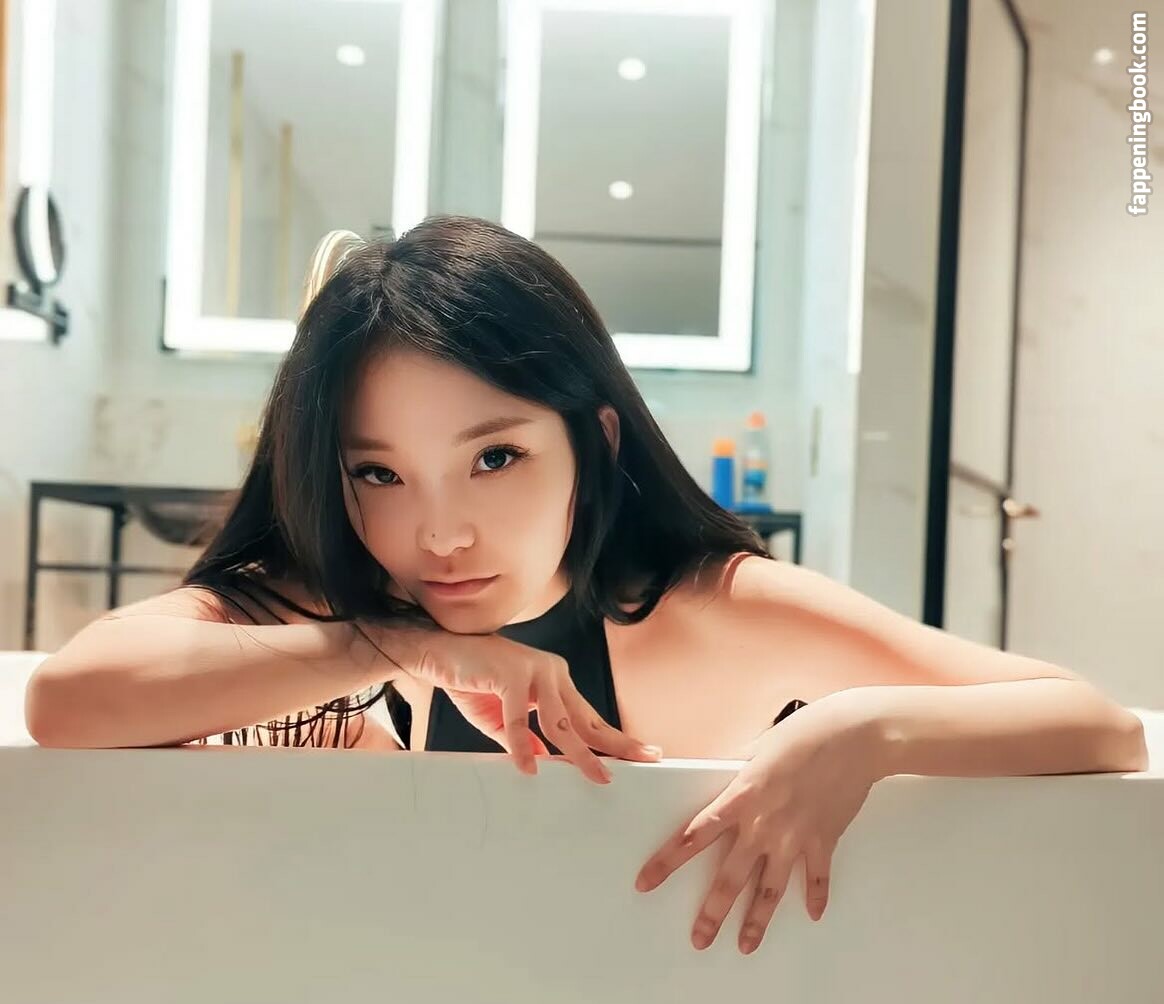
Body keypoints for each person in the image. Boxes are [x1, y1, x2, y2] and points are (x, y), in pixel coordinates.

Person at [25, 216, 1148, 956]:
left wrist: (861, 730)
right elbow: (70, 699)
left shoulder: (699, 605)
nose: (440, 531)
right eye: (378, 473)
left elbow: (1097, 725)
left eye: (495, 456)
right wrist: (398, 646)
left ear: (595, 439)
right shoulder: (324, 598)